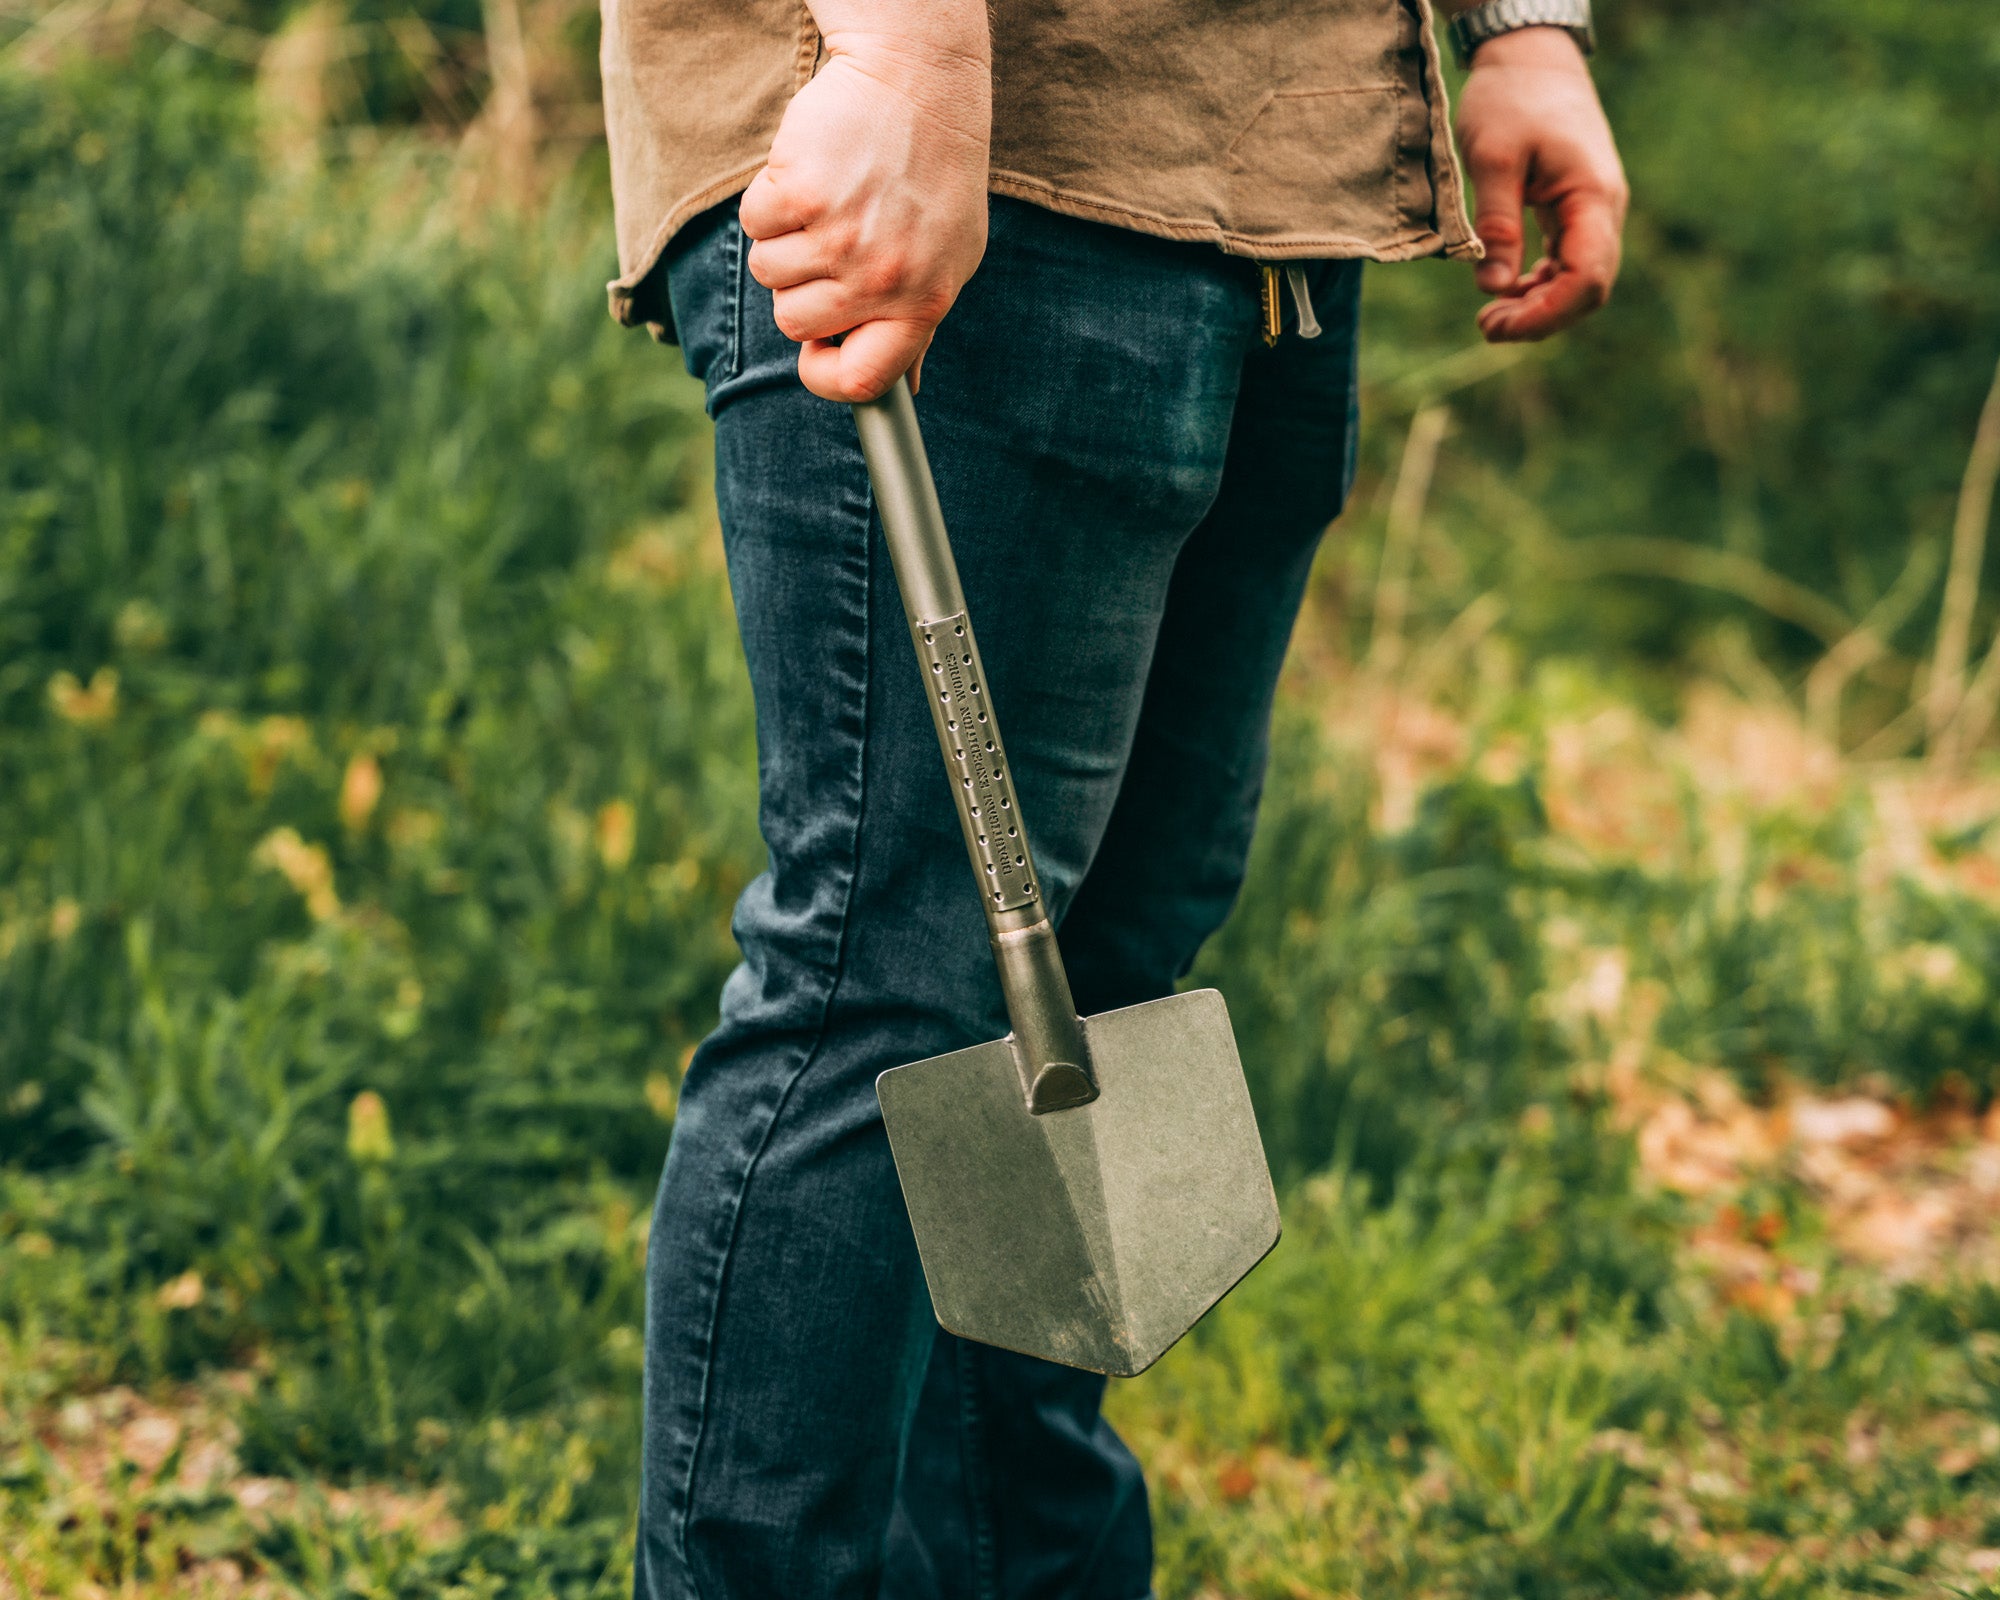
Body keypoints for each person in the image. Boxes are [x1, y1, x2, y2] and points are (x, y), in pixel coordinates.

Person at [597, 0, 1626, 1594]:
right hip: (973, 144)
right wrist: (908, 58)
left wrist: (1524, 28)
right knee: (898, 983)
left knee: (1103, 995)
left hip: (1277, 166)